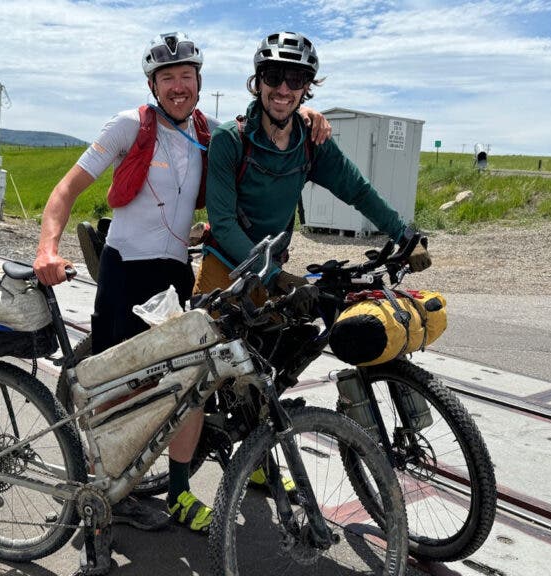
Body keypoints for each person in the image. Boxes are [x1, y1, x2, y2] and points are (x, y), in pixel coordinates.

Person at [33, 32, 331, 533]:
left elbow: (262, 123)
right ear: (153, 83)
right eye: (167, 77)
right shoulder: (130, 125)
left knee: (184, 385)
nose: (178, 86)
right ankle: (107, 489)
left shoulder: (207, 132)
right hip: (126, 268)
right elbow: (66, 189)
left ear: (199, 82)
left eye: (186, 76)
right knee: (114, 389)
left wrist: (304, 114)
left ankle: (177, 493)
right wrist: (47, 248)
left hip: (174, 271)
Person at [196, 31, 431, 300]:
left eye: (295, 79)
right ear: (259, 81)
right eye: (273, 76)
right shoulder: (231, 140)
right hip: (224, 266)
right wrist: (273, 275)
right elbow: (223, 224)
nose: (283, 89)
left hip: (272, 270)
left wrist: (405, 235)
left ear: (306, 87)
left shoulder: (311, 142)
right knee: (211, 339)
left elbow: (358, 191)